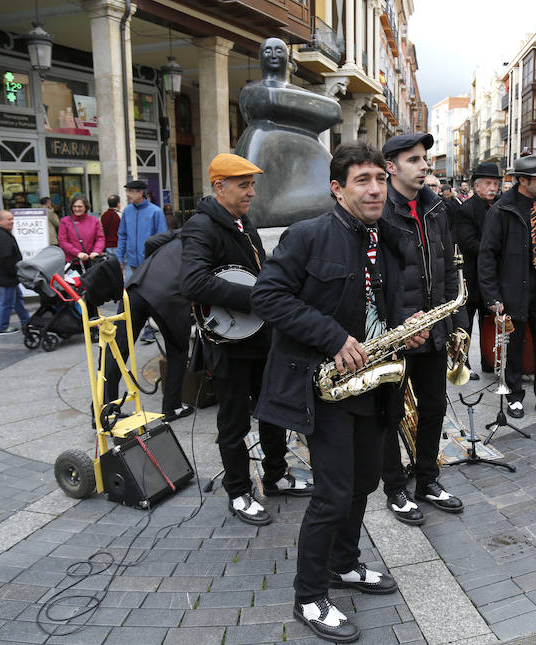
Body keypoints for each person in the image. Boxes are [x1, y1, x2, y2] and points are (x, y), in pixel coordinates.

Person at [251, 142, 426, 643]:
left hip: (374, 383)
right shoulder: (308, 236)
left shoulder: (389, 239)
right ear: (338, 188)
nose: (374, 188)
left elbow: (384, 305)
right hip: (323, 386)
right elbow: (267, 296)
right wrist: (332, 337)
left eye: (377, 178)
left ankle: (343, 565)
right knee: (330, 495)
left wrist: (405, 326)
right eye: (361, 180)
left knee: (366, 482)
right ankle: (309, 595)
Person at [181, 153, 312, 527]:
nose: (252, 192)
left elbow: (257, 271)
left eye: (252, 184)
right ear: (219, 187)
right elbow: (192, 283)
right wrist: (257, 297)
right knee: (234, 423)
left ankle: (276, 476)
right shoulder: (202, 227)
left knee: (273, 411)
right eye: (244, 185)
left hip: (260, 338)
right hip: (231, 346)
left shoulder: (243, 221)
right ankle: (238, 491)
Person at [379, 133, 468, 526]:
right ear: (391, 166)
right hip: (396, 336)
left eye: (425, 159)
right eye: (414, 159)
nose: (425, 166)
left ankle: (427, 480)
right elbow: (374, 280)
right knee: (390, 413)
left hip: (433, 329)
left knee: (434, 408)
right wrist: (398, 326)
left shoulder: (436, 208)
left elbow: (449, 270)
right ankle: (395, 487)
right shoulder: (378, 209)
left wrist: (452, 326)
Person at [479, 153, 536, 420]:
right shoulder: (502, 209)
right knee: (514, 344)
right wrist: (492, 296)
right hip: (513, 289)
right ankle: (514, 395)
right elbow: (487, 256)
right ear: (522, 180)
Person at [103, 230, 193, 422]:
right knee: (178, 349)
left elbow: (151, 241)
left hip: (137, 286)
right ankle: (172, 407)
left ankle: (103, 411)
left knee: (118, 350)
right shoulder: (209, 235)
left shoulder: (182, 232)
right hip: (167, 295)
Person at [455, 162, 502, 377]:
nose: (493, 188)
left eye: (495, 183)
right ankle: (462, 364)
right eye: (488, 184)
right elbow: (468, 244)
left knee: (489, 323)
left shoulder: (500, 206)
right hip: (472, 279)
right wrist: (496, 250)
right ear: (476, 186)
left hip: (492, 280)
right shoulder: (466, 210)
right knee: (466, 325)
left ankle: (488, 360)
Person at [0, 210, 30, 335]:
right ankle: (2, 326)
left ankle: (26, 321)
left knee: (17, 299)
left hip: (8, 275)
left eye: (12, 219)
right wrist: (15, 271)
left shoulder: (0, 233)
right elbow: (5, 258)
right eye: (9, 219)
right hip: (7, 276)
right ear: (0, 221)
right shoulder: (1, 235)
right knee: (7, 302)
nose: (12, 221)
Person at [117, 179, 167, 281]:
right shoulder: (127, 211)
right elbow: (122, 236)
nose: (127, 194)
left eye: (130, 191)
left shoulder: (156, 212)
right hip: (130, 265)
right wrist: (119, 258)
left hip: (150, 265)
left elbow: (162, 239)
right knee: (129, 295)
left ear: (140, 193)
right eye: (127, 191)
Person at [57, 195, 104, 265]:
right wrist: (77, 253)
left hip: (91, 260)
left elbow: (100, 238)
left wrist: (96, 251)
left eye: (80, 206)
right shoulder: (65, 221)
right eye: (74, 206)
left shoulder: (94, 221)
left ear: (86, 207)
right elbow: (62, 241)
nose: (77, 209)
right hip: (72, 261)